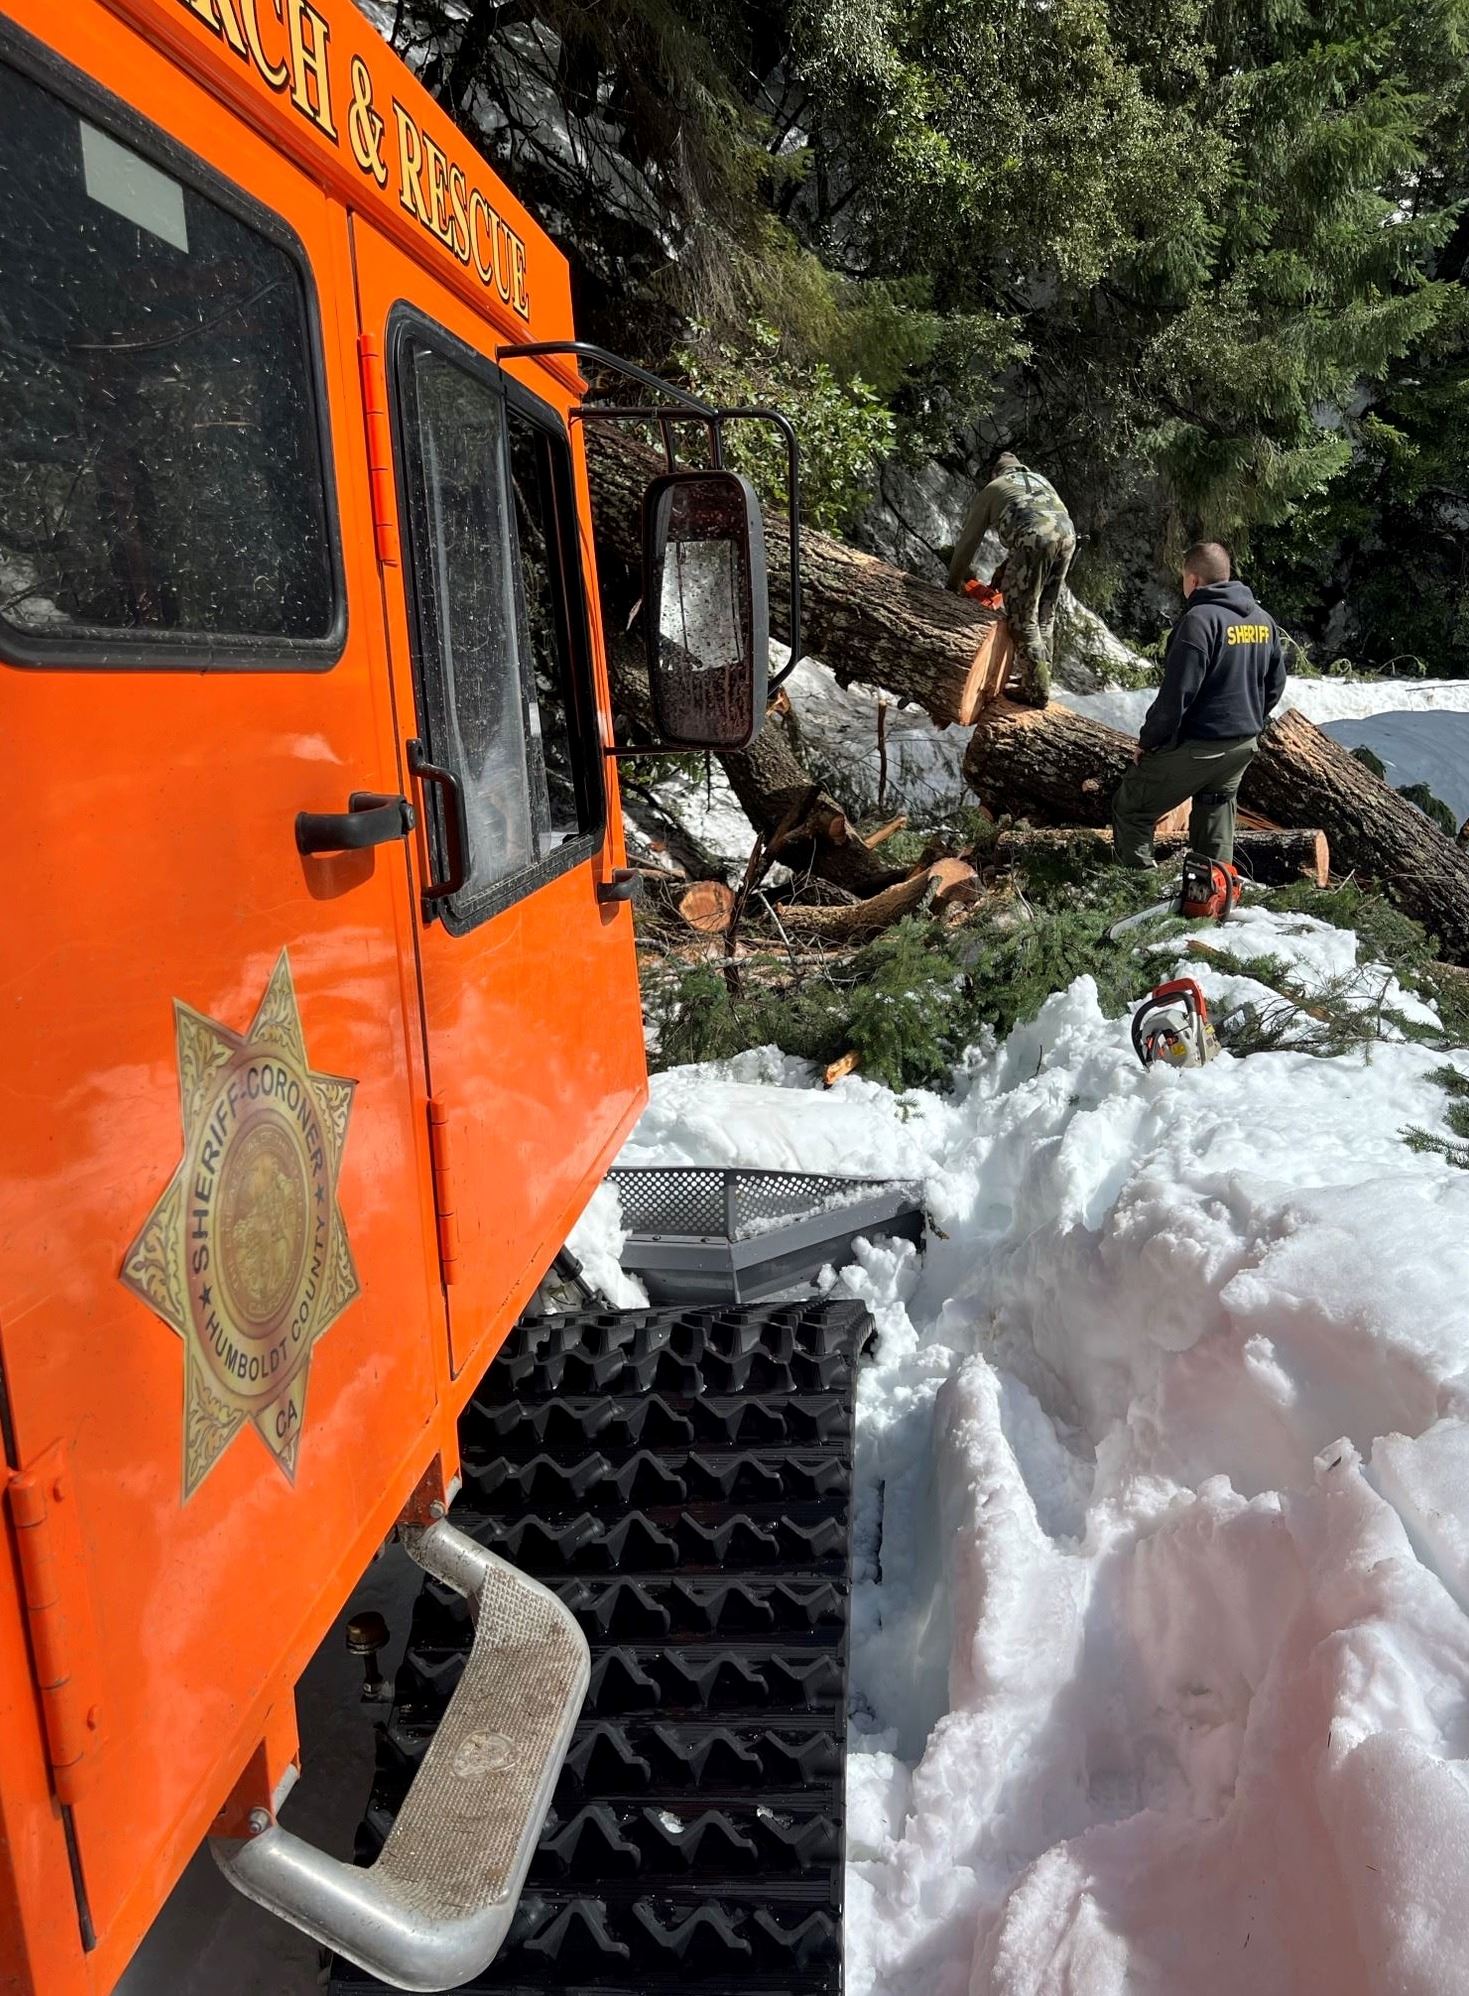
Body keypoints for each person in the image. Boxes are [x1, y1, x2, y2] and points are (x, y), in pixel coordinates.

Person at [1111, 541, 1286, 868]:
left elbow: (1176, 695)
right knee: (1214, 814)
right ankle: (1214, 892)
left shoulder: (1199, 621)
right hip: (1242, 746)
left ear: (1193, 580)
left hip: (1200, 746)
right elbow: (1275, 685)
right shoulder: (1263, 620)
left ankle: (1136, 889)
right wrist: (1250, 718)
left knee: (1132, 808)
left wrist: (1149, 742)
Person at [945, 450, 1076, 706]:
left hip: (1035, 539)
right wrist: (1006, 569)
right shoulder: (1040, 480)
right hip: (1067, 537)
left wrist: (952, 585)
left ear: (996, 472)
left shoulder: (994, 487)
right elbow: (1041, 523)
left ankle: (1036, 690)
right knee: (1045, 614)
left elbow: (967, 544)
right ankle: (1039, 677)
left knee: (1021, 618)